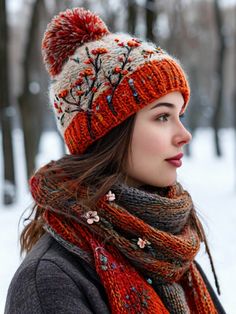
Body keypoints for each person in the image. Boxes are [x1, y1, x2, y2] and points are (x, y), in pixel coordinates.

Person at [5, 7, 226, 314]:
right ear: (110, 132)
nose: (184, 134)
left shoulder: (170, 255)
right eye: (162, 116)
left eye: (180, 115)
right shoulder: (51, 281)